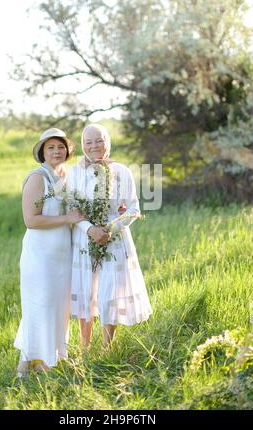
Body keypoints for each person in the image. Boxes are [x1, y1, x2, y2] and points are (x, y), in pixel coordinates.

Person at [66, 124, 152, 348]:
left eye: (99, 140)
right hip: (84, 237)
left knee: (109, 291)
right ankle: (85, 346)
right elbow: (72, 209)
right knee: (86, 290)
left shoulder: (121, 171)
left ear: (107, 142)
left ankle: (107, 347)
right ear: (83, 145)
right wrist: (91, 230)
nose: (94, 146)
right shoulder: (74, 173)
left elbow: (133, 208)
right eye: (89, 142)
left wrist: (110, 229)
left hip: (114, 237)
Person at [14, 128, 85, 376]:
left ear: (67, 150)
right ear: (42, 152)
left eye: (61, 147)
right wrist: (68, 218)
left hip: (63, 254)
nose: (57, 151)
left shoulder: (68, 175)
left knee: (58, 305)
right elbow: (31, 220)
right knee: (39, 304)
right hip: (40, 255)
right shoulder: (37, 177)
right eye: (51, 147)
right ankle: (28, 361)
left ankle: (49, 356)